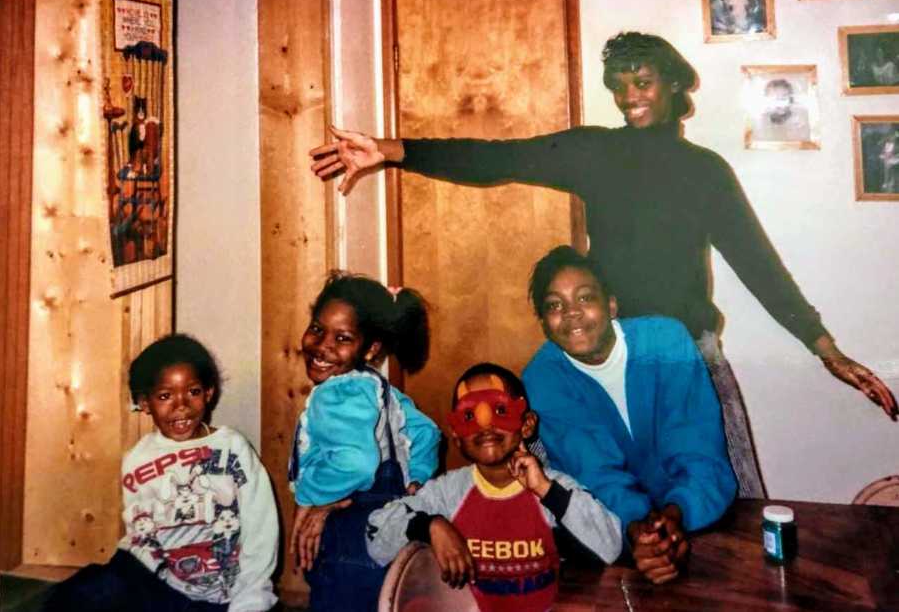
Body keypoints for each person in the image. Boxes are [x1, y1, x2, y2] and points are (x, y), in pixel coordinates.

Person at [308, 30, 898, 497]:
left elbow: (760, 267)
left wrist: (826, 349)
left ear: (673, 85)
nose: (630, 95)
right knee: (593, 498)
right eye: (619, 85)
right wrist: (392, 152)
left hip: (686, 353)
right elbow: (496, 159)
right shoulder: (596, 152)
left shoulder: (705, 171)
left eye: (643, 81)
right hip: (600, 354)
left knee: (730, 493)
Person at [522, 245, 737, 585]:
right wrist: (638, 531)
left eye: (584, 298)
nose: (571, 313)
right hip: (618, 534)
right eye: (554, 306)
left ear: (611, 305)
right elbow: (593, 473)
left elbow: (698, 449)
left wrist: (675, 515)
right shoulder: (542, 378)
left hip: (700, 513)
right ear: (544, 324)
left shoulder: (666, 341)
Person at [44, 334, 278, 612]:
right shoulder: (138, 459)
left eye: (192, 391)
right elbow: (140, 536)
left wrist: (250, 600)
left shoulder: (232, 448)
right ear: (145, 403)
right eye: (165, 396)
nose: (181, 405)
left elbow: (261, 528)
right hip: (160, 583)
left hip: (223, 592)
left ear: (209, 393)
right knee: (79, 593)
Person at [366, 363, 622, 611]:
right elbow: (375, 537)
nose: (485, 423)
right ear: (456, 436)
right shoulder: (447, 492)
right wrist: (430, 525)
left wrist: (546, 490)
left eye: (500, 410)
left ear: (527, 424)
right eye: (469, 415)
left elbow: (609, 548)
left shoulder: (553, 486)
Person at [288, 271, 441, 611]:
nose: (322, 344)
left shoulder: (335, 393)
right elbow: (426, 433)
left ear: (370, 348)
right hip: (391, 533)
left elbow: (355, 464)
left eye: (342, 338)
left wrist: (309, 497)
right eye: (316, 328)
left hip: (349, 544)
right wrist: (413, 481)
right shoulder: (378, 387)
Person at [754, 78, 810, 143]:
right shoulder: (761, 122)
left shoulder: (798, 121)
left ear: (791, 100)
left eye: (783, 99)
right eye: (775, 99)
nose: (779, 104)